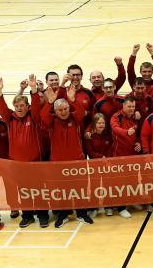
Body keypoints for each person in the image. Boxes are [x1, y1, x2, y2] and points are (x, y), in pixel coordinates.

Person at [0, 74, 49, 228]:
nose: (19, 109)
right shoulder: (10, 119)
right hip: (18, 165)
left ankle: (43, 215)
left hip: (34, 163)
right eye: (17, 106)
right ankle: (27, 216)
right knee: (24, 191)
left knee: (38, 191)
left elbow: (36, 105)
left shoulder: (33, 118)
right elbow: (2, 107)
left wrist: (33, 89)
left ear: (27, 107)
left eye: (22, 106)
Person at [41, 85, 93, 227]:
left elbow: (81, 112)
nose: (63, 112)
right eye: (60, 110)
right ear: (55, 111)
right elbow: (43, 117)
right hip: (58, 163)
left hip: (77, 161)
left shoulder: (75, 118)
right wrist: (50, 102)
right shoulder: (51, 121)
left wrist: (72, 100)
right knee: (62, 191)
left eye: (65, 109)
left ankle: (82, 213)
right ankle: (63, 215)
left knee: (80, 189)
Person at [110, 98, 144, 216]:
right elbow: (115, 129)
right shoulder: (116, 117)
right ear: (123, 106)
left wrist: (139, 142)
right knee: (121, 182)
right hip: (120, 155)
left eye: (133, 107)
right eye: (129, 107)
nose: (131, 109)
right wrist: (126, 132)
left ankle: (132, 201)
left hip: (133, 155)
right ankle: (121, 208)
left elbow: (139, 133)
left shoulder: (135, 117)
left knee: (133, 180)